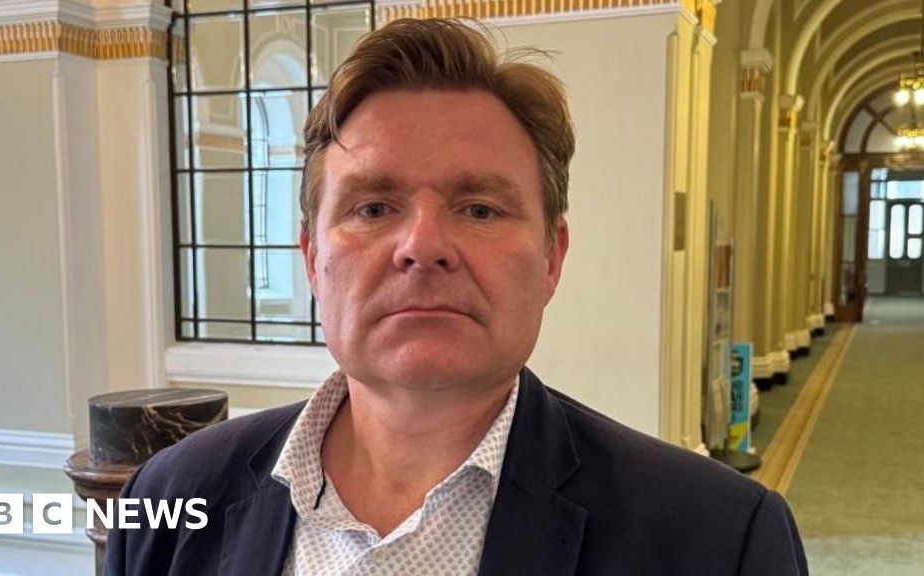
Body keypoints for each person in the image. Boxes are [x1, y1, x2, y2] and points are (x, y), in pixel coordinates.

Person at [105, 18, 808, 575]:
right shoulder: (171, 496)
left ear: (551, 258)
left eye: (479, 209)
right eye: (373, 208)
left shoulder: (719, 539)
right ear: (313, 259)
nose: (422, 245)